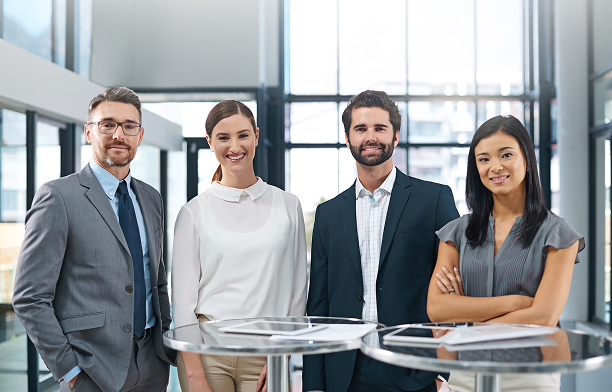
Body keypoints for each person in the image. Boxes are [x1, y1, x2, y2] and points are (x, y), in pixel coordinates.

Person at [12, 86, 176, 392]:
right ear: (89, 132)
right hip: (91, 369)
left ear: (140, 136)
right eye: (108, 124)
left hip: (153, 367)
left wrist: (164, 338)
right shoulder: (58, 197)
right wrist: (70, 371)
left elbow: (157, 280)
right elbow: (29, 296)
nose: (119, 134)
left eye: (129, 126)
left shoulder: (152, 199)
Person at [303, 90, 459, 392]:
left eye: (380, 128)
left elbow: (454, 285)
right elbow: (318, 306)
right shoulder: (328, 214)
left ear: (396, 135)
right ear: (348, 138)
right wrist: (313, 384)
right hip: (345, 371)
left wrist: (444, 371)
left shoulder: (435, 199)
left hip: (415, 369)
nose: (370, 136)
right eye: (360, 129)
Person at [427, 115, 585, 392]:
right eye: (484, 159)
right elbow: (437, 309)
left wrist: (467, 325)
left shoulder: (559, 234)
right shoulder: (455, 233)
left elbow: (543, 317)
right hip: (466, 376)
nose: (495, 167)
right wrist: (517, 302)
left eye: (506, 154)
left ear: (526, 157)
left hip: (530, 378)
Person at [172, 100, 307, 392]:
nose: (235, 146)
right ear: (210, 142)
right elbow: (182, 304)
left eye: (243, 135)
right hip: (207, 356)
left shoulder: (288, 206)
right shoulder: (193, 212)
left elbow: (298, 292)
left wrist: (281, 356)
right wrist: (194, 376)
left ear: (256, 136)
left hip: (266, 356)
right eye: (223, 137)